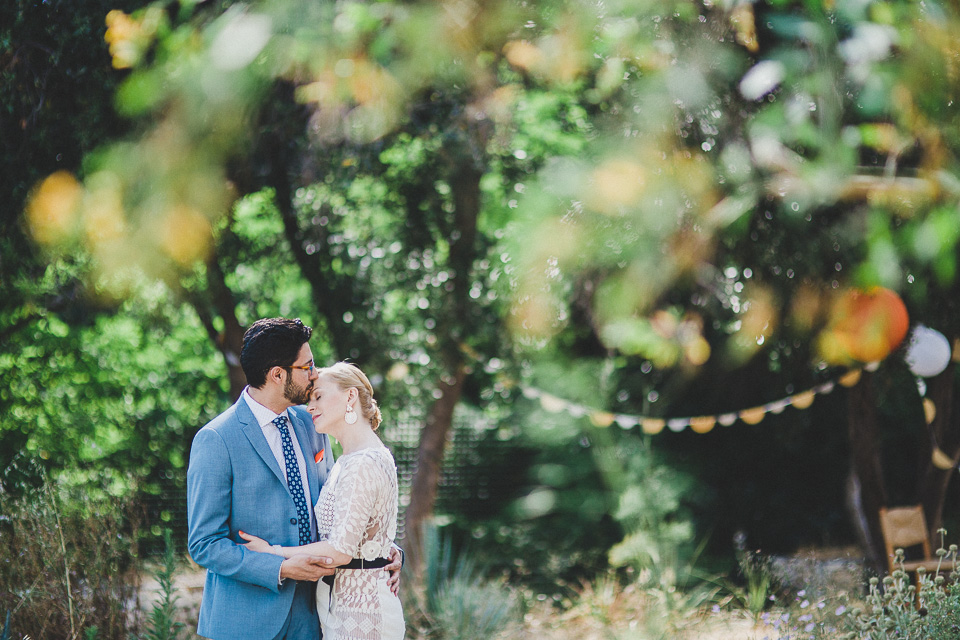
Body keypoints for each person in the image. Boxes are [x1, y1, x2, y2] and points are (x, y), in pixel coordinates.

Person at [186, 318, 401, 640]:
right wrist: (280, 568)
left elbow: (343, 506)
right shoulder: (217, 439)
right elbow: (204, 544)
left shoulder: (312, 424)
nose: (314, 374)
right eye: (307, 366)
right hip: (247, 622)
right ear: (277, 375)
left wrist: (379, 546)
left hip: (314, 615)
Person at [240, 362, 405, 640]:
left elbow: (340, 550)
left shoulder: (362, 462)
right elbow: (361, 529)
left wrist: (273, 553)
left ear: (350, 397)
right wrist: (385, 548)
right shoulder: (351, 459)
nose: (310, 406)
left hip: (362, 613)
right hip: (341, 604)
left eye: (319, 396)